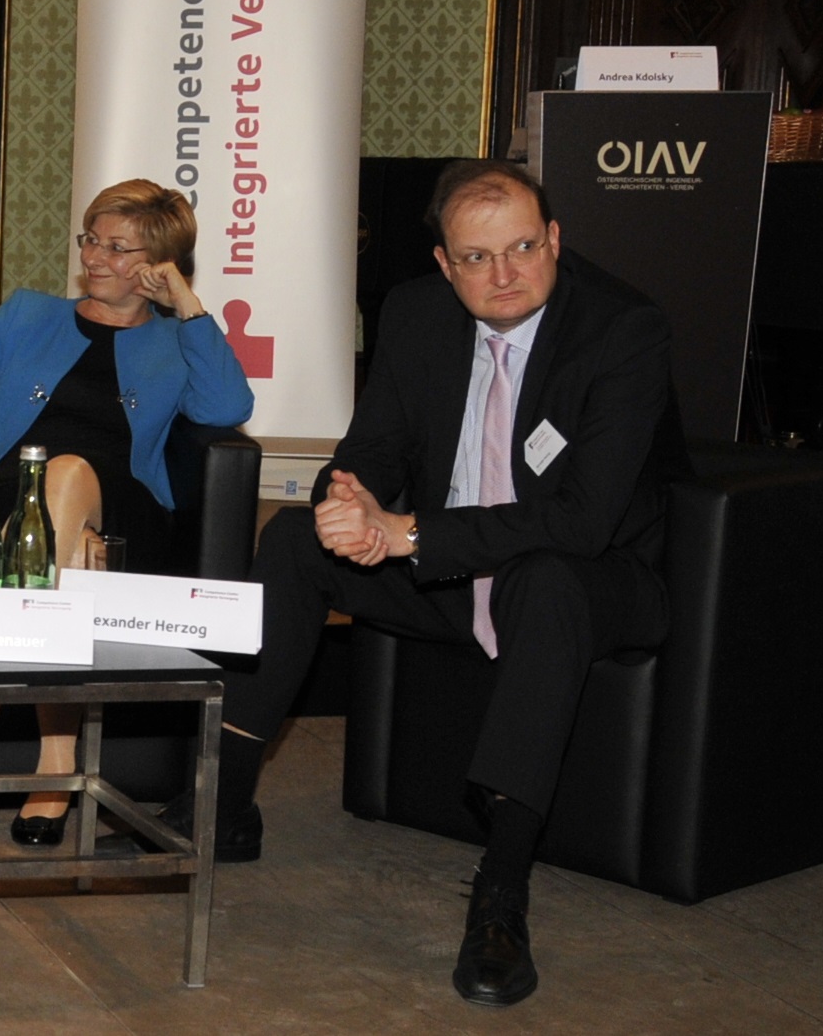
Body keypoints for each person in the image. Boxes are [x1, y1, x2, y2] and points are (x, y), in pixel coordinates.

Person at [177, 160, 683, 1008]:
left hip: (595, 580)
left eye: (523, 247)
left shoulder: (621, 329)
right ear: (445, 264)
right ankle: (221, 803)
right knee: (295, 539)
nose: (504, 273)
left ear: (554, 239)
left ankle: (500, 894)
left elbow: (582, 521)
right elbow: (373, 445)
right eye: (476, 258)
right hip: (451, 570)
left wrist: (406, 532)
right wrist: (348, 501)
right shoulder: (414, 312)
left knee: (546, 580)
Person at [0, 179, 254, 847]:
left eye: (117, 247)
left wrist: (187, 306)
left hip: (123, 509)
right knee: (71, 556)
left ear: (158, 264)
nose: (94, 257)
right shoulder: (30, 314)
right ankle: (57, 763)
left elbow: (226, 407)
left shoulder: (178, 341)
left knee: (65, 475)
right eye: (90, 239)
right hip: (9, 502)